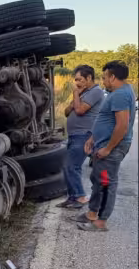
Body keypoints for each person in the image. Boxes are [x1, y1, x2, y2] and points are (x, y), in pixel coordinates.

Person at [74, 61, 136, 231]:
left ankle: (100, 221)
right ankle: (92, 213)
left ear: (113, 77)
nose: (103, 81)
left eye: (104, 78)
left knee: (106, 183)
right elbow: (107, 121)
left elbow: (122, 126)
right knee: (98, 180)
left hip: (112, 148)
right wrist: (93, 138)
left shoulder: (120, 95)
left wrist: (108, 148)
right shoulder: (124, 90)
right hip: (104, 144)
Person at [57, 64, 104, 208]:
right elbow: (66, 112)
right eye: (76, 80)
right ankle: (73, 197)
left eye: (79, 79)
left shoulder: (95, 92)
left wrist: (76, 95)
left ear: (89, 78)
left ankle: (79, 197)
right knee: (68, 167)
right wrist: (75, 100)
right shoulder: (83, 92)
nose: (76, 83)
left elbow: (80, 111)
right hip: (74, 135)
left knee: (72, 166)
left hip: (83, 135)